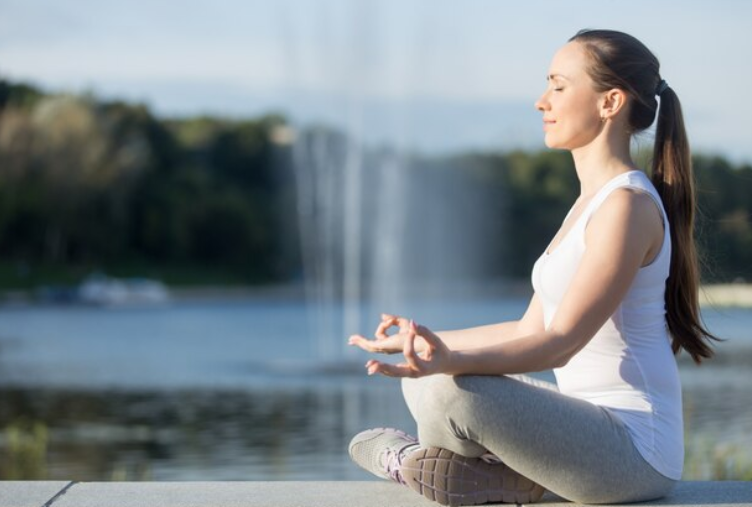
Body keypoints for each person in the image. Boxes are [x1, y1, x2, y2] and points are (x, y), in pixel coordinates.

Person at [346, 29, 719, 506]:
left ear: (611, 102)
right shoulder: (590, 204)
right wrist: (423, 343)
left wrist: (453, 364)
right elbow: (530, 327)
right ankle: (502, 476)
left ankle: (410, 461)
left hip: (633, 455)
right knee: (429, 380)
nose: (542, 102)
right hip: (585, 433)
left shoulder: (626, 206)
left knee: (449, 392)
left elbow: (560, 343)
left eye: (559, 86)